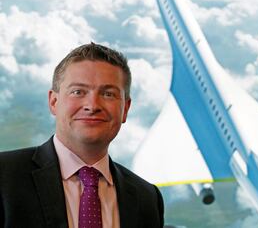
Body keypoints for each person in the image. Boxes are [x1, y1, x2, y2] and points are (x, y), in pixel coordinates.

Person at [0, 43, 164, 228]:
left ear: (125, 109)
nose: (92, 105)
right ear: (54, 102)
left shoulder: (147, 198)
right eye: (78, 92)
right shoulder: (5, 177)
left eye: (108, 94)